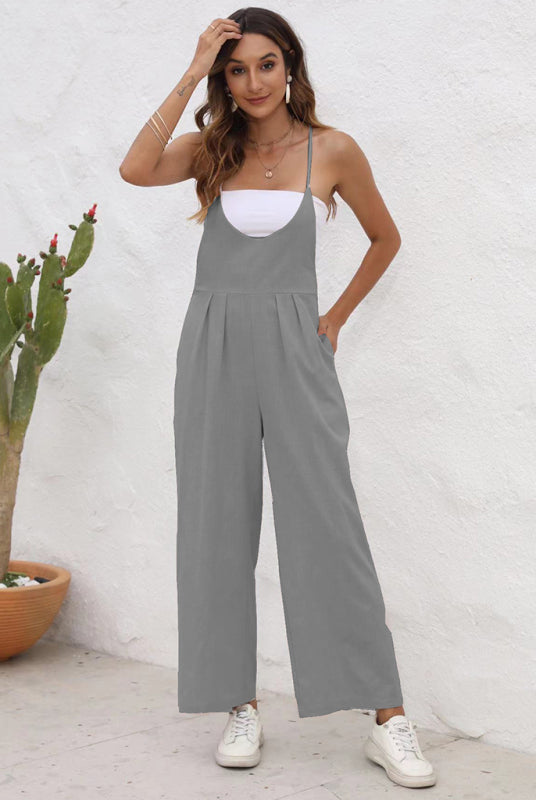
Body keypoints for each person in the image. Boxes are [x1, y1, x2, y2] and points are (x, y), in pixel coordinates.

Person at [119, 7, 437, 790]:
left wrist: (334, 318)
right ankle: (240, 704)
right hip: (213, 346)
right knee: (216, 525)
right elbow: (134, 168)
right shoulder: (211, 150)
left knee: (329, 524)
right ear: (224, 79)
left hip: (297, 347)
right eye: (237, 69)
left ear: (289, 66)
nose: (253, 81)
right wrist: (192, 68)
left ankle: (387, 717)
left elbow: (386, 237)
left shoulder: (333, 149)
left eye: (266, 64)